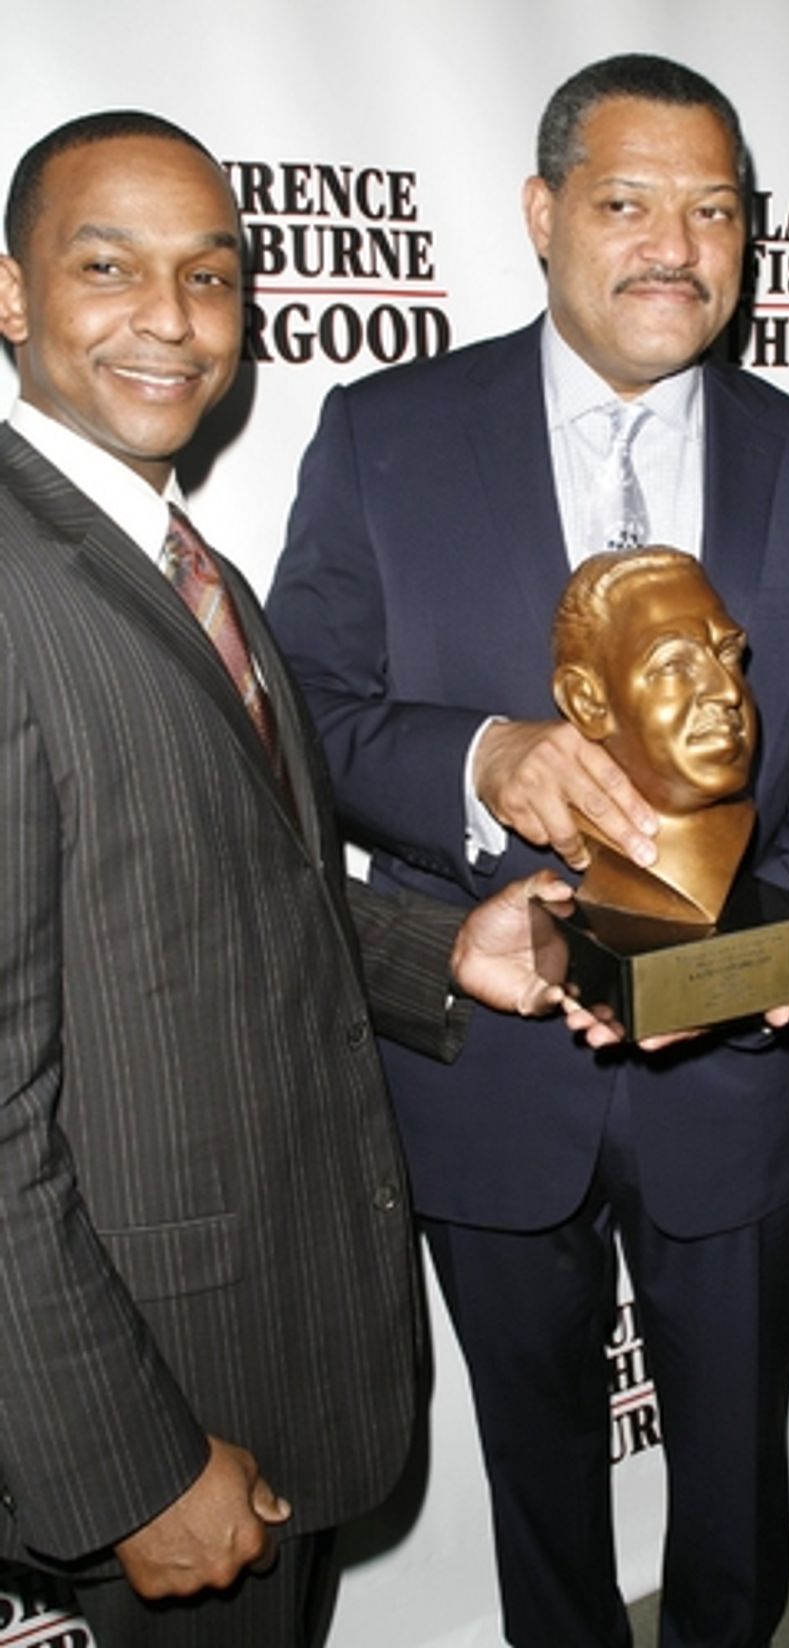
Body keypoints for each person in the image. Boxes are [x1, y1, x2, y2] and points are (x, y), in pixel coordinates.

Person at [267, 53, 789, 1648]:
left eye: (715, 211)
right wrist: (483, 761)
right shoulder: (383, 434)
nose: (674, 247)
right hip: (486, 1074)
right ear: (546, 215)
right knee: (539, 1482)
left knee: (737, 1483)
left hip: (735, 1083)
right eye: (627, 203)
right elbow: (301, 720)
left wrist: (774, 949)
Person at [0, 109, 594, 1648]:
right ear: (10, 297)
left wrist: (439, 950)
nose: (172, 320)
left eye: (210, 275)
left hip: (261, 1344)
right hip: (148, 1399)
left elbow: (223, 895)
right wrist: (124, 1467)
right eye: (108, 266)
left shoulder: (182, 564)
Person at [551, 545, 756, 922]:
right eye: (674, 664)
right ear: (587, 702)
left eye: (727, 653)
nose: (728, 691)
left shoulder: (740, 824)